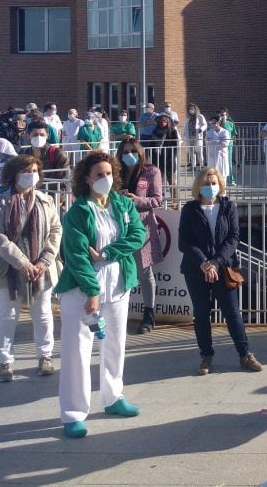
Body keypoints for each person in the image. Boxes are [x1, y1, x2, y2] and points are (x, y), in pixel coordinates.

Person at [55, 150, 147, 438]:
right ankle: (73, 413)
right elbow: (77, 255)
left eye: (109, 173)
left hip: (118, 286)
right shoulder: (78, 212)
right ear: (86, 179)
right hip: (82, 291)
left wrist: (108, 252)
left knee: (115, 345)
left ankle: (113, 398)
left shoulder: (121, 204)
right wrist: (91, 291)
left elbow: (137, 236)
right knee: (77, 352)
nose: (105, 179)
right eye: (99, 175)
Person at [178, 167, 262, 376]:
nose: (210, 187)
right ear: (199, 186)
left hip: (223, 268)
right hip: (196, 270)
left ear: (220, 185)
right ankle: (206, 355)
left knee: (232, 313)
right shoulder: (190, 209)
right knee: (201, 313)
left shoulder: (227, 206)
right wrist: (204, 263)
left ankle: (245, 354)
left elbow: (233, 238)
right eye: (206, 184)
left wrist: (216, 262)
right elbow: (185, 242)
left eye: (213, 183)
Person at [0, 155, 61, 381]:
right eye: (26, 170)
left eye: (34, 170)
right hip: (8, 269)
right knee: (7, 316)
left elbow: (56, 230)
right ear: (14, 174)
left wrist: (44, 260)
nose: (31, 175)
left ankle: (45, 356)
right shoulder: (1, 201)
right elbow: (0, 237)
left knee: (43, 314)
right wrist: (22, 262)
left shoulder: (46, 200)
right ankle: (4, 361)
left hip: (41, 269)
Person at [116, 138, 165, 334]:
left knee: (145, 273)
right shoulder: (116, 171)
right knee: (118, 270)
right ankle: (117, 312)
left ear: (140, 152)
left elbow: (158, 199)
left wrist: (137, 200)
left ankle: (149, 313)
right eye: (125, 152)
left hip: (141, 227)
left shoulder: (151, 171)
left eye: (133, 151)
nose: (129, 155)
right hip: (119, 226)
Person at [20, 120, 70, 187]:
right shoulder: (23, 155)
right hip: (31, 193)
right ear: (28, 136)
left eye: (42, 135)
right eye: (35, 135)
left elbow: (65, 178)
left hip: (53, 194)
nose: (39, 137)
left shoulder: (57, 153)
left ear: (47, 136)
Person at [151, 114, 180, 196]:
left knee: (171, 180)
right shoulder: (155, 132)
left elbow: (175, 146)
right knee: (159, 181)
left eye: (165, 121)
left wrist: (172, 157)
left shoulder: (172, 131)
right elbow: (152, 145)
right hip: (158, 159)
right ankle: (160, 199)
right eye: (161, 121)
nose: (163, 122)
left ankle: (174, 200)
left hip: (169, 159)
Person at [205, 115, 232, 183]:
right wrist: (218, 141)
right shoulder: (209, 132)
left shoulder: (225, 132)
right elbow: (207, 142)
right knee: (212, 176)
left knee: (222, 177)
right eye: (212, 123)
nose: (213, 124)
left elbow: (225, 143)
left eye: (214, 122)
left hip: (221, 156)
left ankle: (223, 193)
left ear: (219, 122)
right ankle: (214, 192)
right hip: (212, 156)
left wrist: (213, 141)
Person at [184, 105, 207, 169]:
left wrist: (201, 129)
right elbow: (186, 127)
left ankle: (201, 165)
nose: (190, 110)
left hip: (197, 136)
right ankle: (193, 166)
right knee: (191, 151)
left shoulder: (200, 116)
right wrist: (185, 134)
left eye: (192, 109)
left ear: (195, 109)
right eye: (189, 109)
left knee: (199, 151)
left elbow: (205, 124)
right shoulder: (188, 118)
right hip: (190, 137)